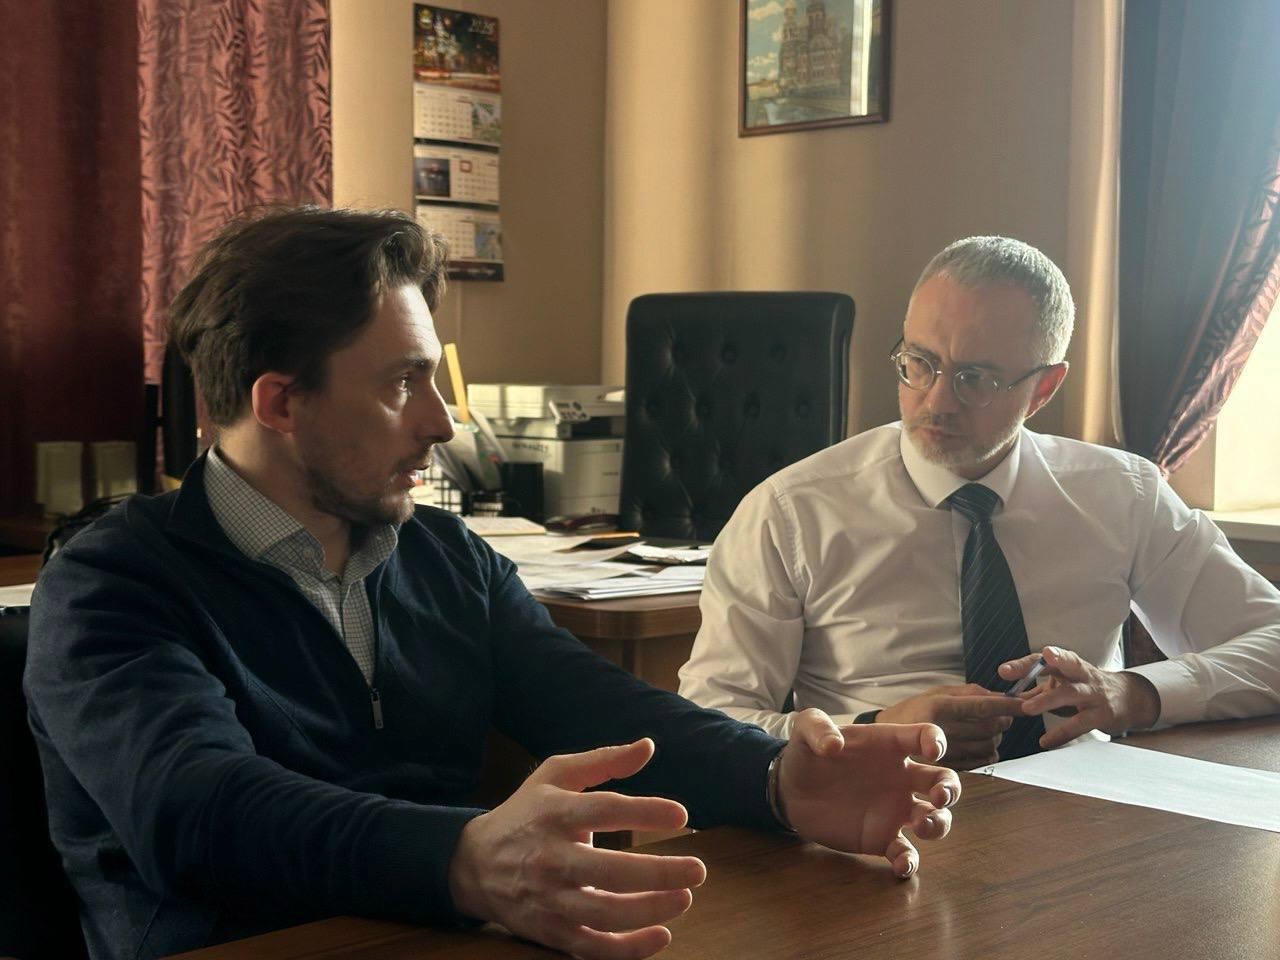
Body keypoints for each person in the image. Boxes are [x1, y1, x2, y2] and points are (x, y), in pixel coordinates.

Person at [23, 206, 961, 960]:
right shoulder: (111, 581)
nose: (442, 424)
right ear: (280, 402)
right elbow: (196, 811)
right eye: (405, 383)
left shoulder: (444, 556)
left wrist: (776, 779)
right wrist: (464, 860)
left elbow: (606, 714)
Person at [679, 236, 1280, 771]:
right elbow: (708, 723)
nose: (937, 401)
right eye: (920, 364)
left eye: (976, 378)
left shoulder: (1123, 493)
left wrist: (1135, 693)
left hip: (1085, 814)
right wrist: (876, 730)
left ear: (1043, 388)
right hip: (876, 813)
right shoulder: (790, 511)